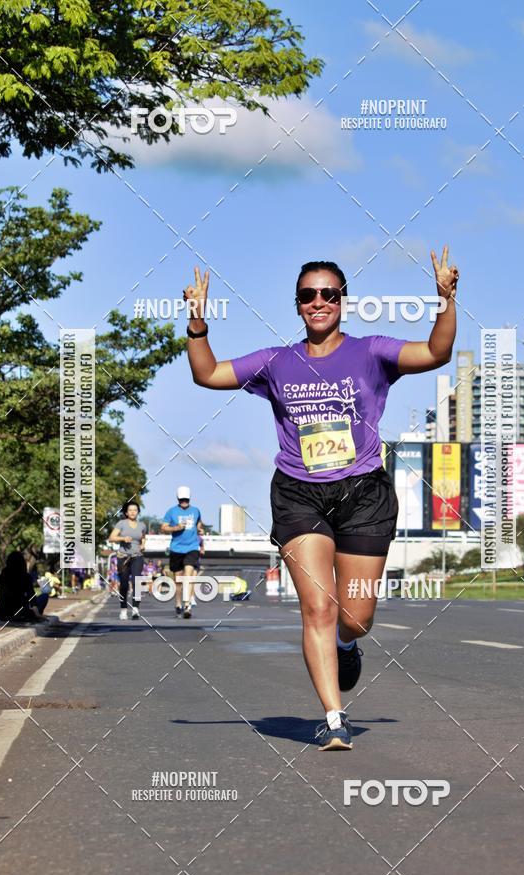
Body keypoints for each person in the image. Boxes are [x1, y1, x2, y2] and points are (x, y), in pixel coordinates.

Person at [184, 250, 457, 749]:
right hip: (298, 493)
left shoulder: (372, 352)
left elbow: (436, 353)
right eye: (308, 295)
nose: (318, 302)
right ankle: (334, 718)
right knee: (317, 607)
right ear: (297, 305)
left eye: (328, 294)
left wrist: (446, 301)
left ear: (342, 302)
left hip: (363, 493)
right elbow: (207, 374)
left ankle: (347, 643)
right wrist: (197, 325)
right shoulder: (275, 362)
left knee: (355, 616)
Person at [161, 486, 204, 618]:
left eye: (186, 500)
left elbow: (199, 524)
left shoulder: (196, 511)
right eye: (181, 500)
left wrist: (199, 530)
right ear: (178, 499)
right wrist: (176, 528)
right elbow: (163, 527)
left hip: (192, 547)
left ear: (189, 498)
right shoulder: (171, 511)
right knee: (178, 580)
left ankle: (187, 605)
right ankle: (178, 603)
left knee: (189, 576)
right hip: (176, 548)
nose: (184, 502)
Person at [108, 501, 146, 620]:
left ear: (138, 512)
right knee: (124, 584)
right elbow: (111, 538)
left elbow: (143, 537)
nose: (133, 512)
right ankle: (123, 609)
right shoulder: (121, 523)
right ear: (126, 512)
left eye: (135, 510)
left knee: (137, 581)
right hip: (123, 557)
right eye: (130, 510)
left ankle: (135, 609)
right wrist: (123, 538)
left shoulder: (142, 525)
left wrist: (143, 545)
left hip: (137, 556)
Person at [0, 551, 47, 623]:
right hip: (21, 612)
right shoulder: (25, 577)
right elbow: (31, 596)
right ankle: (36, 615)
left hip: (2, 612)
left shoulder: (3, 575)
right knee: (44, 596)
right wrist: (36, 612)